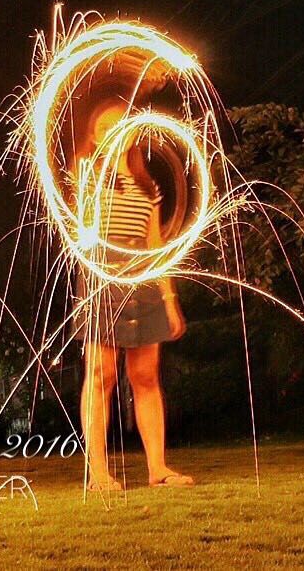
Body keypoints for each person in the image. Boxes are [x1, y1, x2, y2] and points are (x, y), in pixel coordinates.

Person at [75, 99, 193, 490]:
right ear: (94, 136)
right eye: (105, 127)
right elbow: (81, 227)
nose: (114, 133)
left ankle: (158, 469)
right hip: (102, 279)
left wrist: (169, 298)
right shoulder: (86, 174)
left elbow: (156, 243)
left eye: (121, 126)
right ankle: (98, 473)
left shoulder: (149, 186)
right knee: (101, 374)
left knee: (144, 376)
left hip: (143, 282)